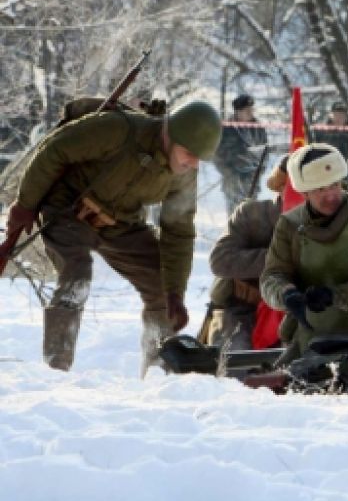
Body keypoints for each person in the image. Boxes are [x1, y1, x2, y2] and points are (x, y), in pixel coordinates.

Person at [5, 100, 222, 371]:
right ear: (170, 135)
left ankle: (158, 369)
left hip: (120, 225)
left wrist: (175, 293)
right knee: (77, 274)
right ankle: (55, 367)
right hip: (67, 210)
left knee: (160, 285)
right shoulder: (119, 129)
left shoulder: (183, 174)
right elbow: (55, 150)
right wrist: (25, 204)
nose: (192, 163)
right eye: (189, 153)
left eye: (198, 158)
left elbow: (178, 231)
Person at [259, 143, 348, 391]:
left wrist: (336, 296)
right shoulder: (290, 226)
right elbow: (271, 277)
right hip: (310, 339)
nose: (331, 195)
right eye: (319, 190)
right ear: (304, 193)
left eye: (335, 185)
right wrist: (287, 294)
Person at [204, 157, 288, 351]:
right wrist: (278, 258)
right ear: (281, 186)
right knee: (235, 364)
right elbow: (220, 260)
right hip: (244, 310)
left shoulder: (326, 218)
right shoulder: (252, 215)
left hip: (303, 312)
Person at [214, 94, 268, 209]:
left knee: (252, 217)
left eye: (251, 109)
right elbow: (217, 155)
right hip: (233, 181)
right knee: (235, 218)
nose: (250, 112)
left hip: (252, 181)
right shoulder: (226, 128)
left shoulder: (258, 128)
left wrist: (259, 172)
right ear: (237, 111)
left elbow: (265, 151)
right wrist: (230, 173)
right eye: (246, 110)